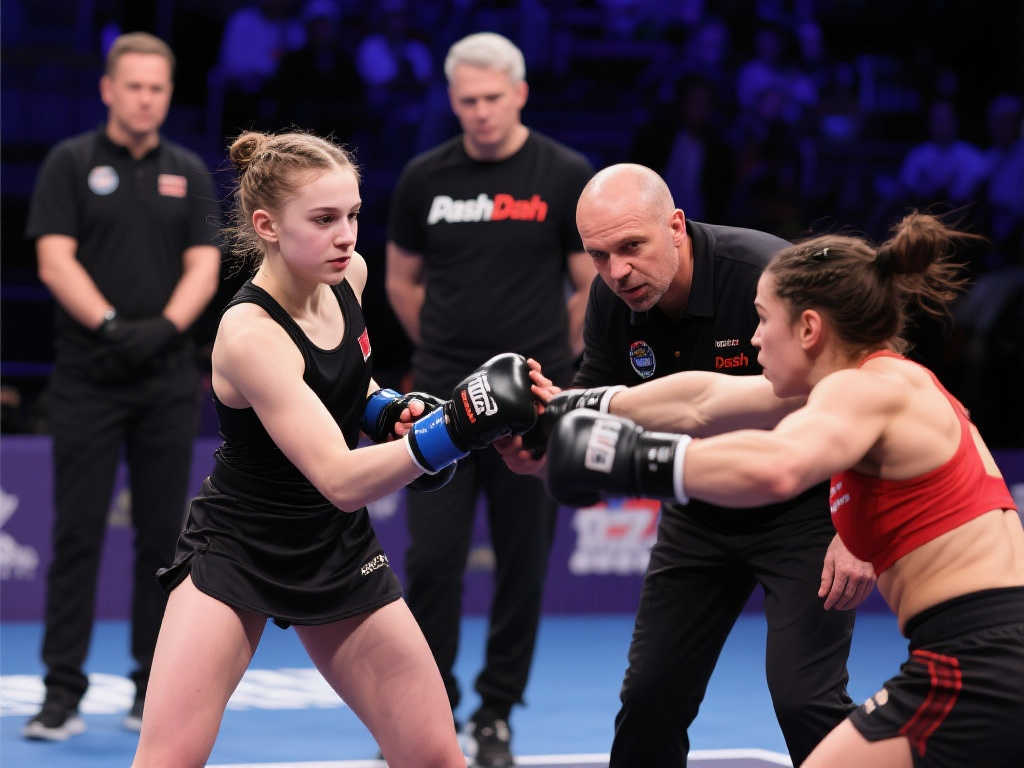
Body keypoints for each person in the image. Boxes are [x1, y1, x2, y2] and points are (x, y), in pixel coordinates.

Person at [543, 212, 1024, 768]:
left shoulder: (860, 390)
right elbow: (704, 399)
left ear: (809, 329)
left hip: (979, 662)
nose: (753, 337)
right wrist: (563, 406)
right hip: (981, 651)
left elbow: (776, 466)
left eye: (763, 318)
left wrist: (630, 459)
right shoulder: (875, 379)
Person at [130, 130, 537, 768]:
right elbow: (341, 478)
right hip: (239, 549)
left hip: (335, 546)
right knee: (167, 762)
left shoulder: (350, 277)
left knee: (436, 758)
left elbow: (347, 380)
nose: (345, 236)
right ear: (267, 226)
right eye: (323, 220)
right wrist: (451, 431)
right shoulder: (250, 334)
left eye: (352, 215)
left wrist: (387, 411)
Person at [501, 163, 873, 767]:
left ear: (675, 226)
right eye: (598, 256)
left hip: (806, 512)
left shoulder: (767, 274)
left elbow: (865, 391)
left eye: (631, 247)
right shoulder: (609, 299)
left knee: (805, 699)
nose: (617, 272)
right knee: (649, 700)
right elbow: (596, 411)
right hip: (701, 507)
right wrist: (538, 450)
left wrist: (858, 527)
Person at [385, 31, 595, 767]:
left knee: (522, 565)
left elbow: (589, 282)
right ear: (452, 100)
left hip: (534, 403)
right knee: (432, 561)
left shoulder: (563, 173)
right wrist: (448, 357)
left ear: (520, 94)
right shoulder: (424, 178)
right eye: (468, 100)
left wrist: (551, 365)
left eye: (492, 98)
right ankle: (430, 709)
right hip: (440, 400)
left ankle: (497, 713)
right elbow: (401, 281)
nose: (480, 111)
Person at [22, 32, 221, 740]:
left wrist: (163, 328)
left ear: (169, 95)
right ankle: (61, 692)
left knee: (165, 541)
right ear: (109, 89)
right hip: (88, 376)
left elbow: (204, 265)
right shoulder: (71, 163)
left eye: (157, 88)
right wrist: (111, 325)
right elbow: (54, 260)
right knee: (76, 534)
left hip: (166, 378)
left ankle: (151, 688)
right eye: (133, 86)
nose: (145, 99)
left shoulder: (188, 171)